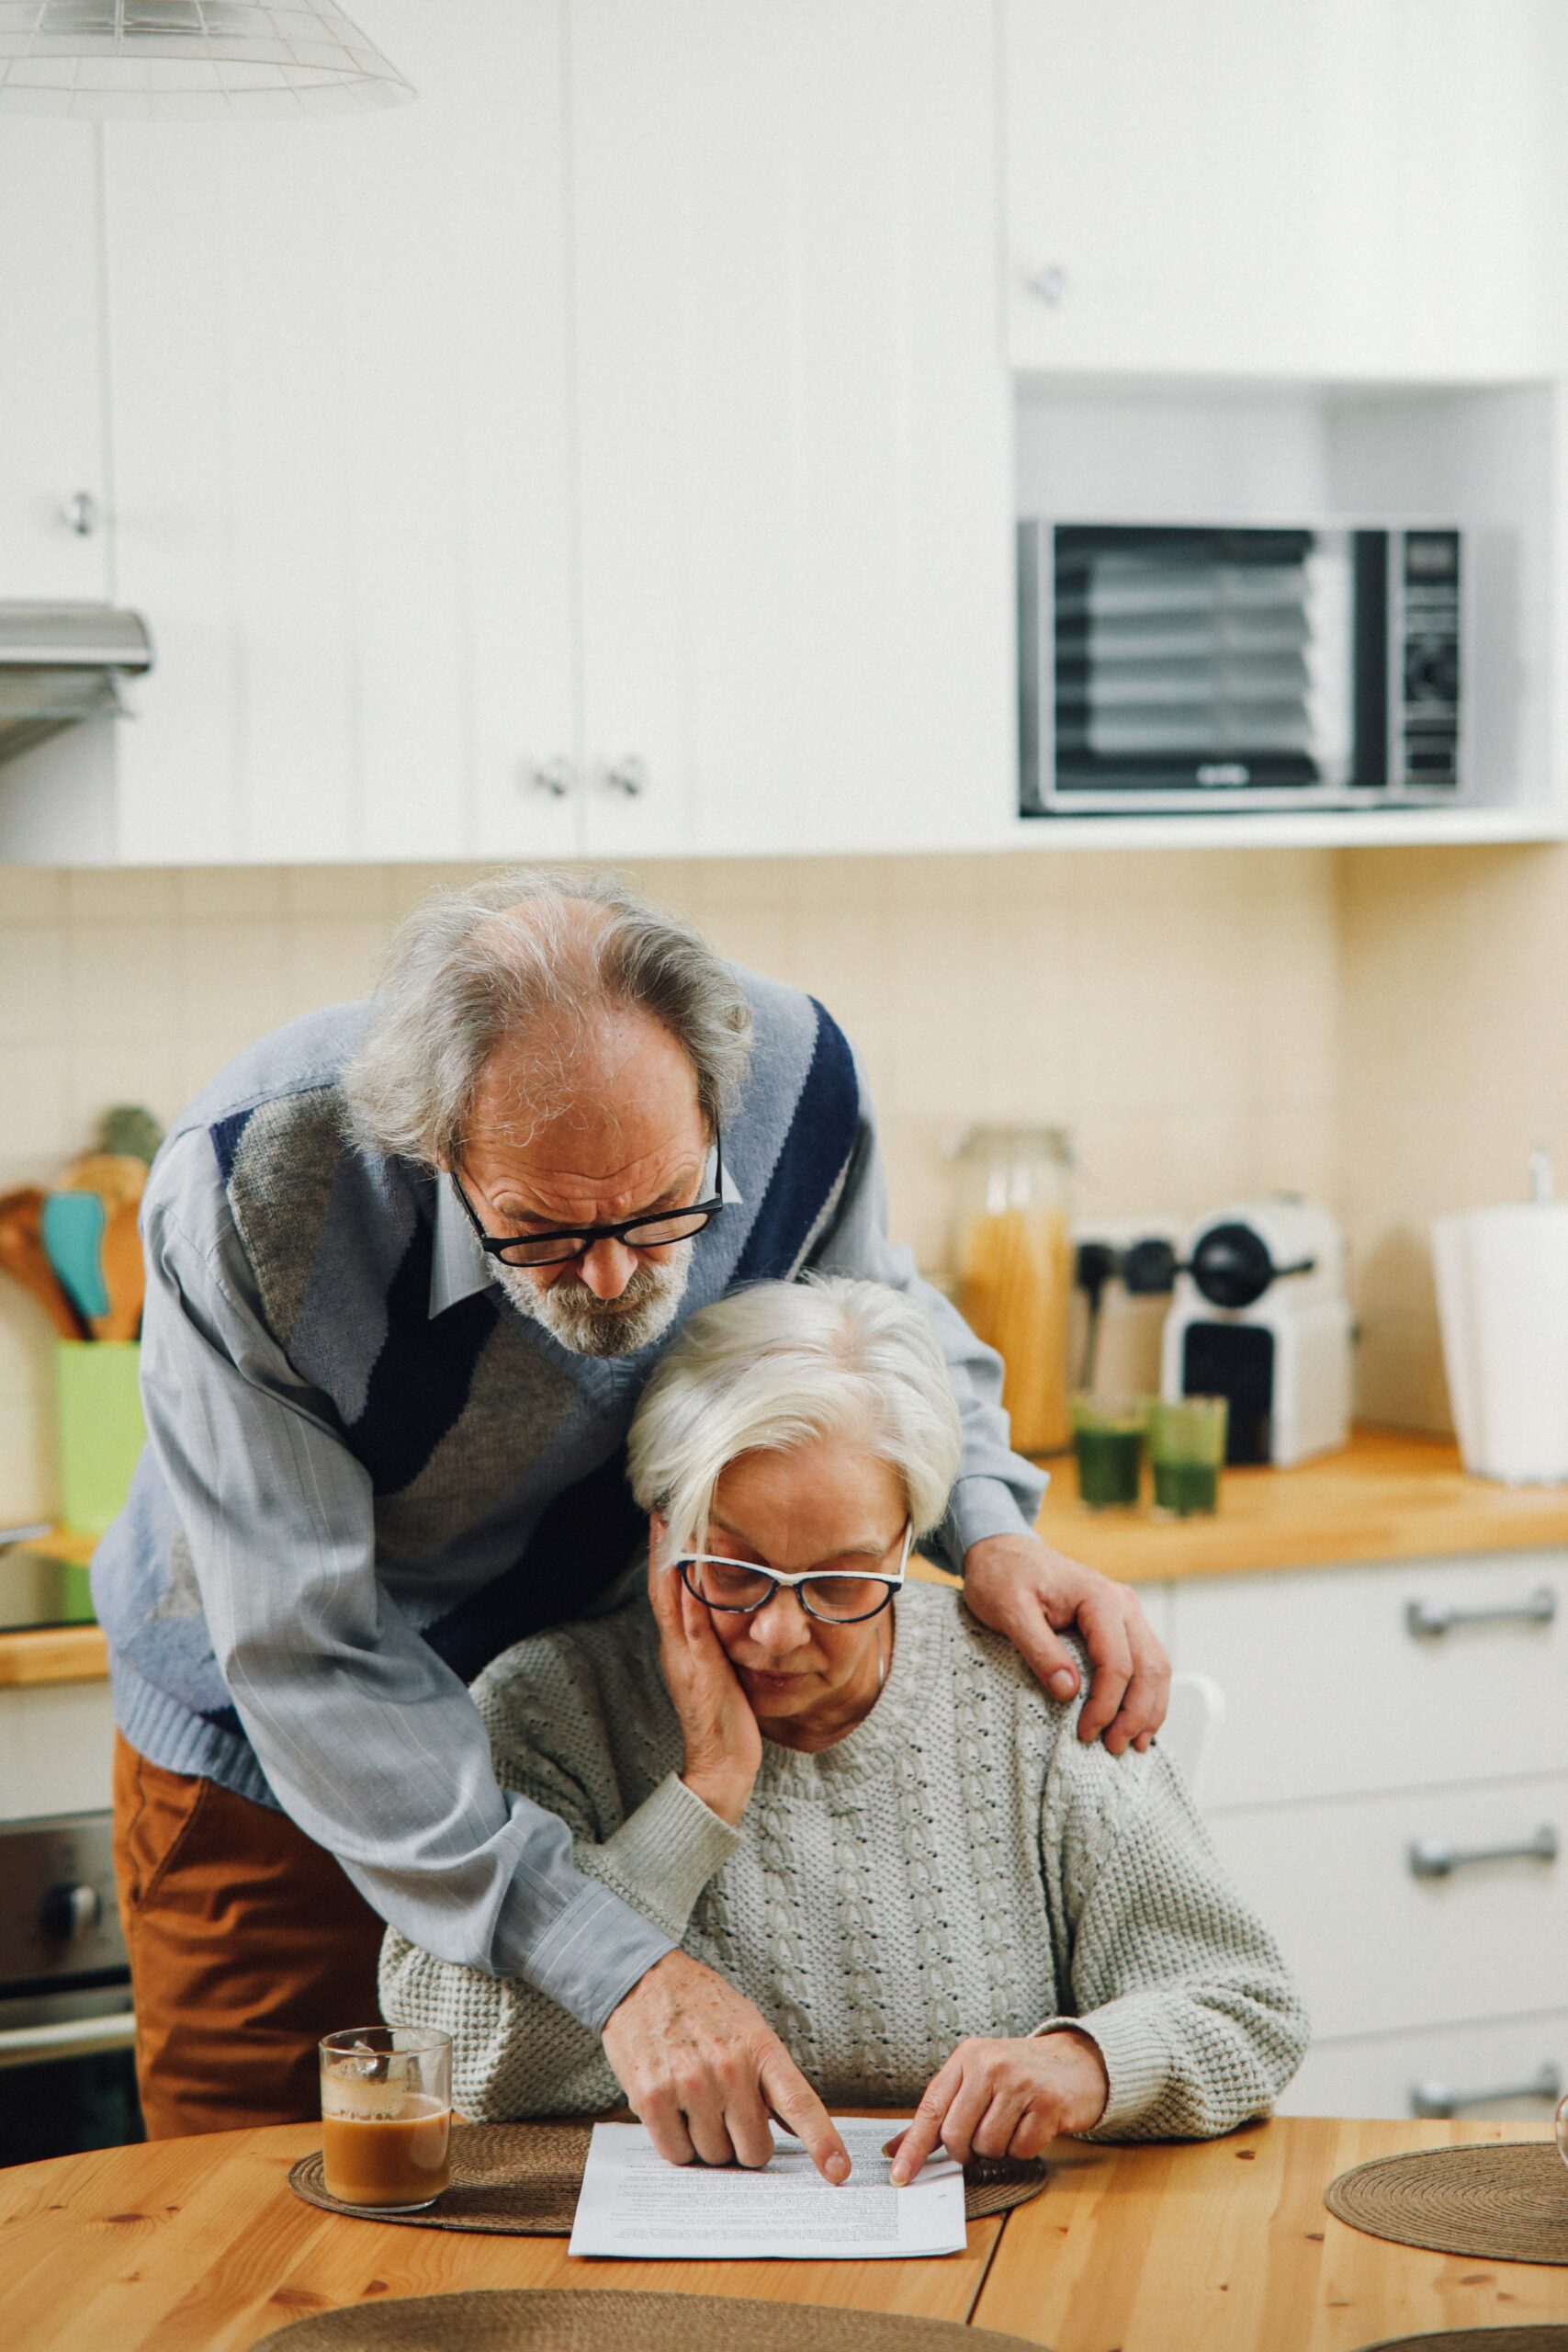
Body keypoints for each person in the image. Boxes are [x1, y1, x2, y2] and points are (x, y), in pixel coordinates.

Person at [95, 867, 1170, 2143]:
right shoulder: (252, 1192)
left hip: (582, 1721)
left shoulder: (798, 1088)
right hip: (268, 1761)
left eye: (664, 1215)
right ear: (435, 1150)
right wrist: (612, 1962)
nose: (611, 1278)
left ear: (719, 1101)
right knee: (255, 2222)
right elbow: (306, 1649)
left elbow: (865, 1319)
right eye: (543, 1231)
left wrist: (986, 1528)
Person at [382, 1278, 1306, 2176]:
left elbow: (1245, 2009)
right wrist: (704, 1794)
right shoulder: (548, 1707)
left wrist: (1089, 2062)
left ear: (910, 1540)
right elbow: (458, 2055)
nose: (780, 1633)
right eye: (734, 1569)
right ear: (663, 1531)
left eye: (842, 1580)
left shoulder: (1034, 1701)